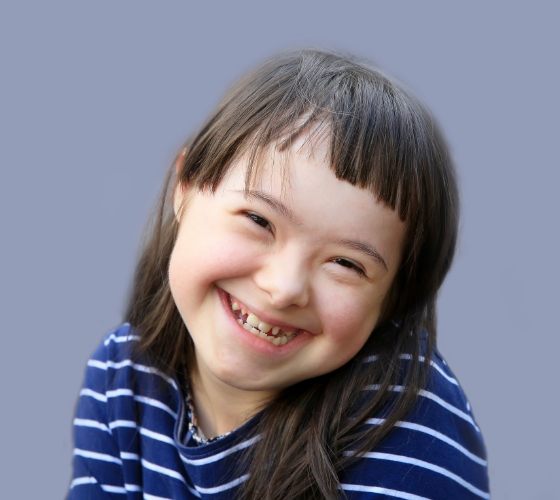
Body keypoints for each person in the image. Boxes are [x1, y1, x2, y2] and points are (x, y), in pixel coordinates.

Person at [68, 49, 490, 499]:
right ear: (185, 187)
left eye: (346, 264)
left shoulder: (411, 434)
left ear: (393, 299)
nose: (284, 287)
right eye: (259, 221)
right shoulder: (122, 380)